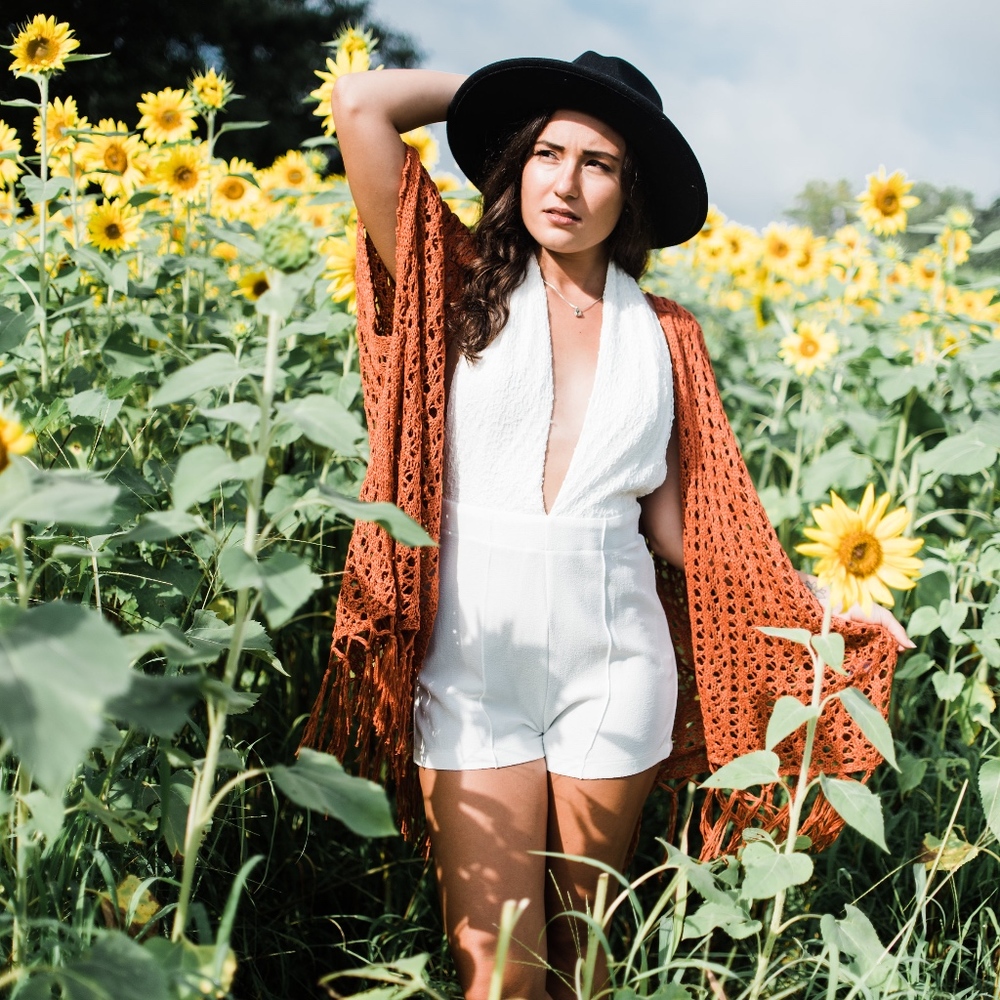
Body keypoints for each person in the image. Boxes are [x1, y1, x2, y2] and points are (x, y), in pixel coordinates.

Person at [309, 51, 913, 1000]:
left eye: (599, 162)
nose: (568, 181)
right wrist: (513, 77)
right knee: (501, 975)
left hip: (615, 669)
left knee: (581, 964)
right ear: (516, 167)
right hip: (472, 662)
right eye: (548, 151)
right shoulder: (453, 281)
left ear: (627, 195)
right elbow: (360, 101)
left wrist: (821, 610)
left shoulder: (664, 332)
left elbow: (685, 529)